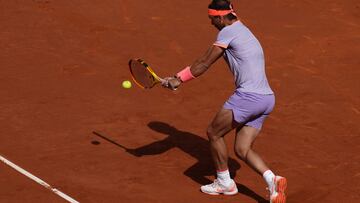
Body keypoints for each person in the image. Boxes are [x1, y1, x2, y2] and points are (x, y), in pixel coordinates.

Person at [162, 0, 287, 202]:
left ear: (220, 17)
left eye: (212, 19)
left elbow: (204, 63)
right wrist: (176, 76)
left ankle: (224, 183)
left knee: (214, 132)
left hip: (249, 97)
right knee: (242, 149)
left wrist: (178, 79)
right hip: (266, 99)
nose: (211, 23)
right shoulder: (244, 30)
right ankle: (273, 180)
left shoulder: (227, 32)